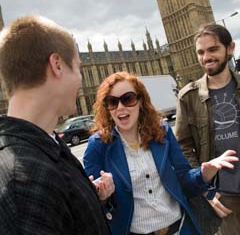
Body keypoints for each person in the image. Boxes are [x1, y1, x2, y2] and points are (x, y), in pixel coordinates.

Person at [83, 71, 238, 235]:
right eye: (112, 102)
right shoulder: (98, 146)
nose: (120, 107)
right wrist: (102, 196)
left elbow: (184, 180)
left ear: (140, 101)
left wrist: (203, 174)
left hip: (180, 228)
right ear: (107, 107)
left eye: (128, 99)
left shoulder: (162, 132)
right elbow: (90, 205)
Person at [0, 15, 114, 234]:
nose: (81, 79)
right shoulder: (23, 181)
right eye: (78, 68)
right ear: (57, 65)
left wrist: (88, 197)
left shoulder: (44, 145)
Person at [175, 23, 240, 235]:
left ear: (230, 48)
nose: (206, 57)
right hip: (223, 197)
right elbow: (183, 148)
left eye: (213, 49)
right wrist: (204, 189)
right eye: (201, 52)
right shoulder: (188, 97)